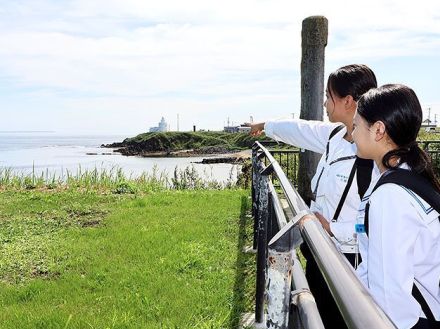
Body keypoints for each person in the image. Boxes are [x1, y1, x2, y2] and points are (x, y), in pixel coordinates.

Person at [248, 64, 378, 328]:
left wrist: (334, 228)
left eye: (329, 96)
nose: (325, 102)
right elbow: (301, 129)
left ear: (348, 101)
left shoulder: (373, 155)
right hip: (321, 250)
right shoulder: (336, 135)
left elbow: (379, 223)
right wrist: (266, 125)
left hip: (350, 263)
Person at [352, 84, 440, 329]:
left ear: (378, 129)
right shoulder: (410, 173)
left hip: (411, 321)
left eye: (356, 125)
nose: (353, 134)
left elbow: (390, 297)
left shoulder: (390, 195)